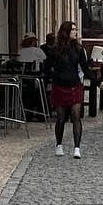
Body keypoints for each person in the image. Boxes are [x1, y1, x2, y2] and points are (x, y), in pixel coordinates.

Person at [42, 20, 91, 158]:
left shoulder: (79, 49)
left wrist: (95, 80)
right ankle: (59, 144)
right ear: (66, 31)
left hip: (75, 85)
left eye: (76, 29)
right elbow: (48, 67)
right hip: (60, 86)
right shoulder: (55, 50)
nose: (76, 32)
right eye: (73, 30)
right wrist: (50, 77)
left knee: (76, 115)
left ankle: (77, 147)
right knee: (61, 117)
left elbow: (84, 67)